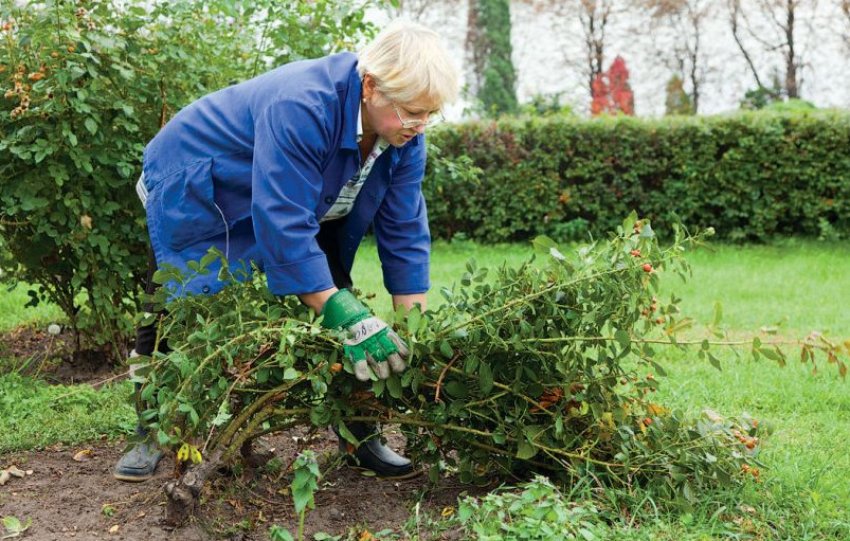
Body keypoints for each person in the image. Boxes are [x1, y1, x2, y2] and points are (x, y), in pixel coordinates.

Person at [113, 19, 459, 482]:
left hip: (305, 198)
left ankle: (359, 432)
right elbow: (282, 220)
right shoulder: (303, 103)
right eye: (412, 111)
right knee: (173, 307)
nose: (420, 125)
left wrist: (411, 329)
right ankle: (151, 428)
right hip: (198, 181)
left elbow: (405, 230)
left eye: (429, 114)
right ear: (371, 86)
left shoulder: (403, 135)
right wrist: (342, 311)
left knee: (344, 300)